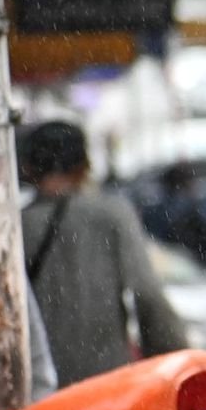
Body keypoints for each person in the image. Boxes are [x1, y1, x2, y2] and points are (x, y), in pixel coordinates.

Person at [19, 121, 189, 388]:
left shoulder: (14, 227)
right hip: (107, 386)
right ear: (84, 166)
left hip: (40, 394)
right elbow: (148, 297)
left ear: (28, 169)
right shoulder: (112, 215)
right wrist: (171, 367)